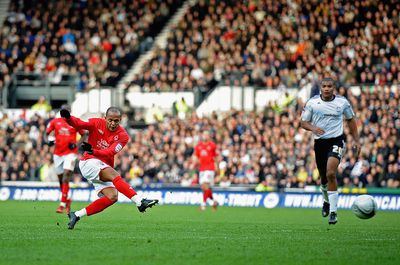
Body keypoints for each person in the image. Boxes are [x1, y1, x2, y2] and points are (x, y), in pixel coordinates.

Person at [60, 106, 158, 229]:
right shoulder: (96, 123)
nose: (112, 123)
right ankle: (140, 202)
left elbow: (110, 152)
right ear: (105, 118)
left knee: (112, 197)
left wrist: (93, 150)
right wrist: (68, 118)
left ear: (120, 120)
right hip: (88, 162)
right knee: (114, 175)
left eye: (116, 121)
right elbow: (79, 123)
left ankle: (77, 215)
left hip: (101, 165)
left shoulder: (123, 136)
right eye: (110, 120)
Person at [300, 77, 360, 225]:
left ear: (334, 88)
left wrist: (357, 141)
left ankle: (333, 212)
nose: (326, 89)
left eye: (329, 86)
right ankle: (326, 202)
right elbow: (303, 122)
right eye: (324, 86)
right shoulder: (312, 103)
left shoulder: (342, 102)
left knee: (331, 173)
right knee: (323, 178)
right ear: (321, 88)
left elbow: (351, 120)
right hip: (320, 143)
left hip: (337, 140)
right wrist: (313, 128)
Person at [45, 105, 86, 214]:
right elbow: (47, 132)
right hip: (58, 153)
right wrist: (49, 140)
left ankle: (62, 204)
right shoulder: (55, 122)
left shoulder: (75, 122)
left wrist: (76, 145)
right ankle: (67, 200)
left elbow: (84, 134)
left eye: (67, 111)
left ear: (70, 112)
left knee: (66, 175)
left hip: (70, 153)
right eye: (63, 111)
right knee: (61, 180)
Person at [194, 131, 218, 211]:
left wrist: (216, 166)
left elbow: (215, 156)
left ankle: (203, 205)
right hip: (202, 169)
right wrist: (195, 162)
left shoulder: (212, 145)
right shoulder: (198, 146)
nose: (205, 136)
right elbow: (196, 156)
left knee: (205, 184)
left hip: (210, 168)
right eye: (204, 134)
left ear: (209, 136)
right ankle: (213, 202)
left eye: (207, 134)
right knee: (205, 188)